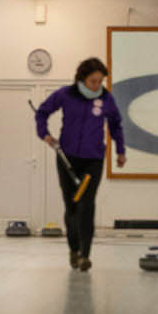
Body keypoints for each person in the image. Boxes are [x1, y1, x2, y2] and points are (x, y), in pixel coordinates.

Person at [34, 57, 127, 271]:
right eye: (93, 81)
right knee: (72, 206)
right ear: (82, 78)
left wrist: (120, 151)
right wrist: (45, 135)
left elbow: (116, 124)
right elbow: (42, 112)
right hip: (68, 158)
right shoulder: (65, 94)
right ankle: (73, 249)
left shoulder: (106, 99)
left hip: (93, 160)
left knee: (87, 205)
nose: (97, 85)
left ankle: (85, 255)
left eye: (100, 81)